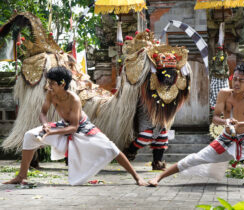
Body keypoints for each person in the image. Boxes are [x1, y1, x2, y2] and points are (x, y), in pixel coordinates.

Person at [4, 66, 147, 186]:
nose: (49, 86)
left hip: (83, 129)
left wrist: (50, 133)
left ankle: (137, 177)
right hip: (62, 126)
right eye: (48, 83)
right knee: (30, 135)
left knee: (112, 148)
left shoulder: (74, 99)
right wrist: (45, 124)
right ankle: (22, 176)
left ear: (62, 84)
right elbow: (42, 113)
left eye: (52, 83)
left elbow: (73, 127)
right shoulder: (50, 94)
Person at [148, 64, 244, 186]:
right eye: (235, 79)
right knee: (193, 159)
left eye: (241, 80)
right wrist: (225, 122)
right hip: (225, 139)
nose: (236, 83)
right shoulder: (224, 94)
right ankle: (158, 178)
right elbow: (215, 118)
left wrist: (241, 124)